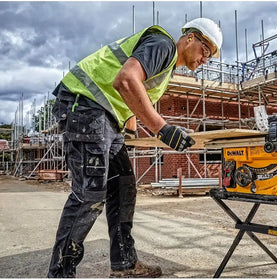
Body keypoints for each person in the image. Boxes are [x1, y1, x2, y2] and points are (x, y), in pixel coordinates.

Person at [48, 18, 222, 278]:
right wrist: (163, 129)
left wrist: (129, 134)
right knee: (90, 195)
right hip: (85, 106)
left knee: (123, 186)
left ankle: (124, 265)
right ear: (190, 38)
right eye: (205, 51)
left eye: (209, 56)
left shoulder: (165, 70)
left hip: (104, 117)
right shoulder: (163, 46)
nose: (204, 59)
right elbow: (126, 80)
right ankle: (60, 273)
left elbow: (131, 99)